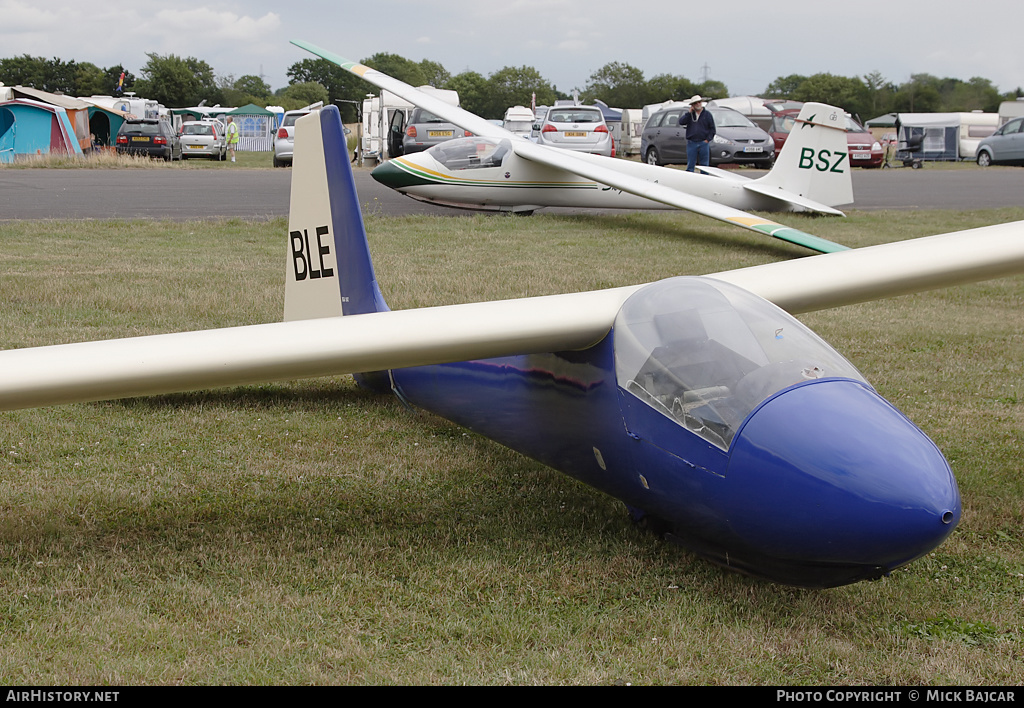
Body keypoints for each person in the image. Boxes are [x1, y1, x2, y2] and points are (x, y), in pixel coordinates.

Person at [677, 95, 716, 173]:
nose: (698, 104)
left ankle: (705, 180)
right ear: (692, 105)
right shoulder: (690, 115)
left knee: (704, 165)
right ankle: (690, 180)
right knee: (690, 164)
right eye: (695, 103)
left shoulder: (707, 114)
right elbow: (681, 122)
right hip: (692, 142)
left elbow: (712, 129)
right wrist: (688, 113)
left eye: (699, 102)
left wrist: (707, 140)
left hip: (703, 142)